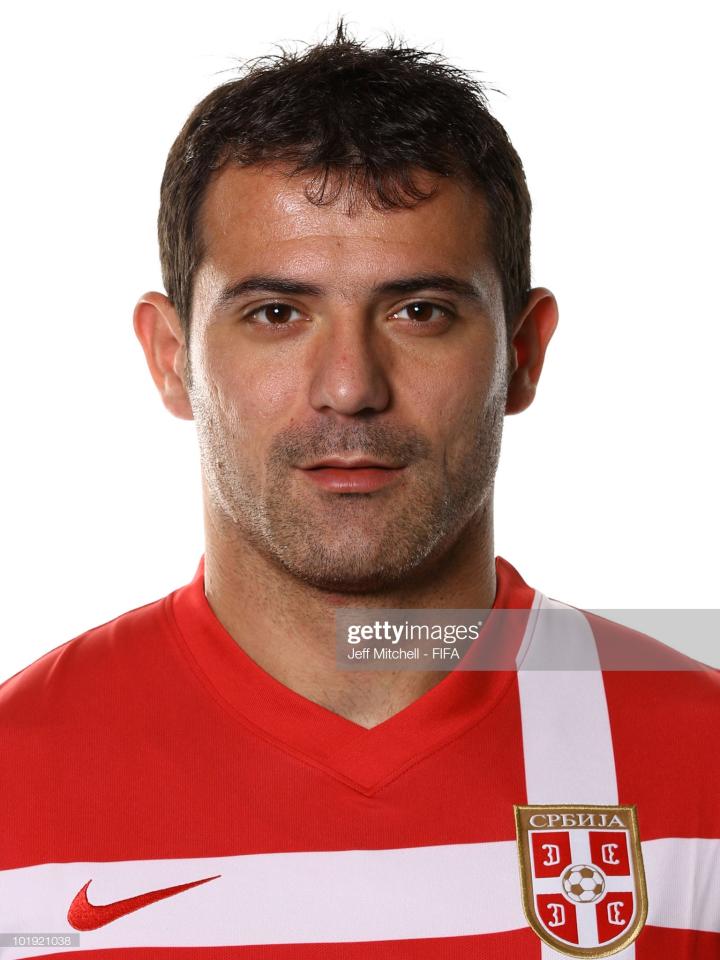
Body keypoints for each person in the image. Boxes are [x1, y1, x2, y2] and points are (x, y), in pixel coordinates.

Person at [0, 20, 718, 960]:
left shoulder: (703, 767)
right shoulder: (15, 779)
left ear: (522, 353)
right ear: (171, 359)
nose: (349, 386)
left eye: (419, 311)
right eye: (277, 312)